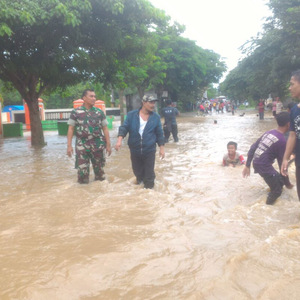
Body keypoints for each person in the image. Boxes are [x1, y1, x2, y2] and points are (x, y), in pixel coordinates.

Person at [115, 95, 165, 189]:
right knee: (138, 174)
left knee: (149, 175)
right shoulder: (132, 115)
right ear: (144, 103)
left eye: (154, 102)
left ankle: (149, 194)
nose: (153, 105)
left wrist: (161, 148)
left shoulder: (156, 117)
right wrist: (119, 140)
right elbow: (124, 127)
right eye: (151, 102)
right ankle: (140, 194)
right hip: (135, 149)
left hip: (149, 150)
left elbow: (159, 133)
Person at [243, 112, 293, 205]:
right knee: (277, 191)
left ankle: (272, 192)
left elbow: (253, 148)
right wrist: (288, 183)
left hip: (257, 162)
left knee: (279, 181)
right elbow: (282, 166)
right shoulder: (282, 141)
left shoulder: (269, 132)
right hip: (263, 166)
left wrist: (247, 165)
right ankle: (266, 207)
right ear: (289, 124)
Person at [67, 89, 111, 184]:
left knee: (100, 174)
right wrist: (69, 146)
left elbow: (105, 129)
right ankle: (83, 195)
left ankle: (99, 194)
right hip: (82, 146)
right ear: (84, 98)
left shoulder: (99, 112)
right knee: (82, 174)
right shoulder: (75, 112)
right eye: (91, 96)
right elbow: (70, 129)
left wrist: (108, 145)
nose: (94, 98)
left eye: (94, 96)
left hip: (97, 145)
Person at [281, 70, 300, 200]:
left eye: (292, 84)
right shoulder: (294, 111)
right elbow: (292, 135)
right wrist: (285, 159)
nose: (289, 87)